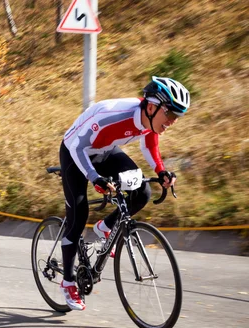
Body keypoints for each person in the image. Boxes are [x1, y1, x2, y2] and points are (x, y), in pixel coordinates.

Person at [58, 76, 190, 311]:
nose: (172, 122)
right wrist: (93, 177)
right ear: (152, 106)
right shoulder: (111, 115)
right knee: (78, 216)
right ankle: (68, 282)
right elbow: (77, 147)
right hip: (75, 151)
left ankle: (106, 227)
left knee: (142, 191)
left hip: (105, 150)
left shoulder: (149, 120)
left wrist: (161, 171)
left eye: (176, 117)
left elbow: (149, 145)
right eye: (170, 115)